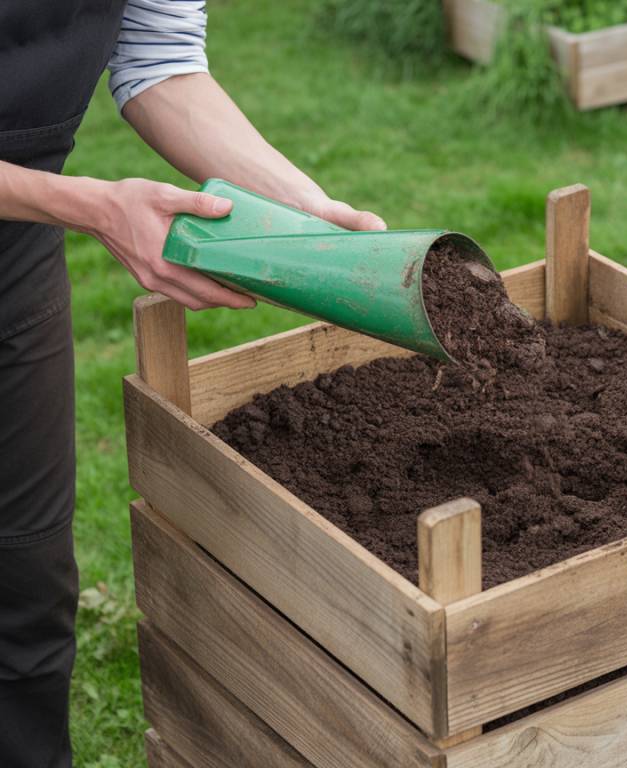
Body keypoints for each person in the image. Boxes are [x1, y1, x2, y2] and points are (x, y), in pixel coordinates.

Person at [0, 3, 385, 765]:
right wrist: (92, 206)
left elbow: (159, 57)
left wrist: (302, 211)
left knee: (25, 583)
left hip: (15, 249)